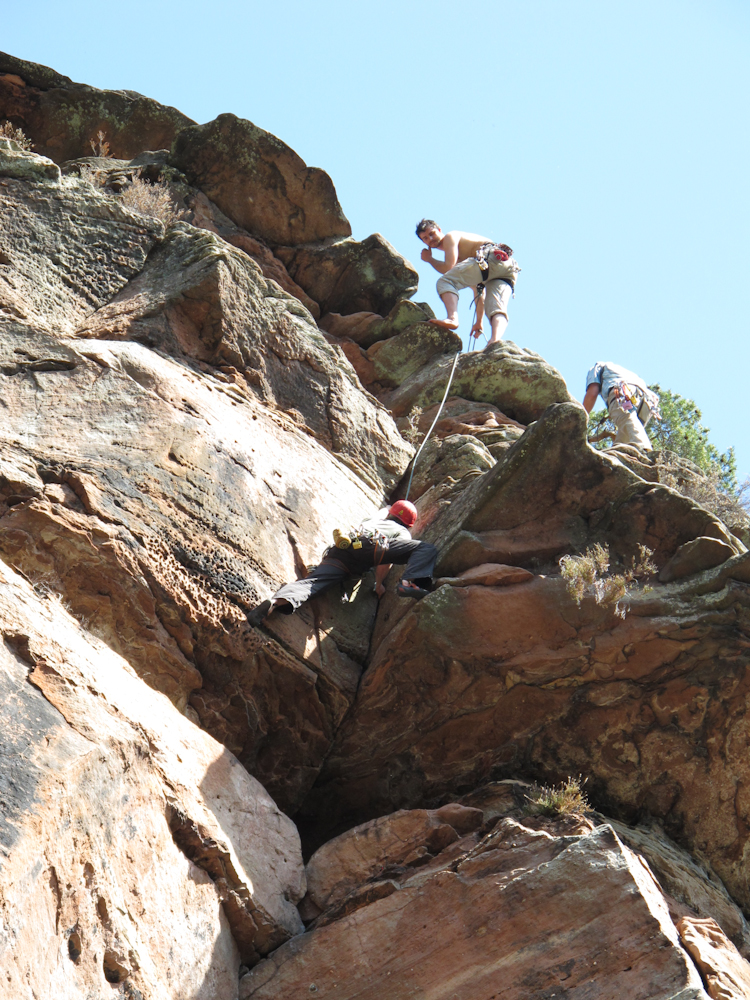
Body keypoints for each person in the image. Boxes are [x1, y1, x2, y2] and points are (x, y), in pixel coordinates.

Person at [246, 500, 437, 626]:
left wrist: (387, 509)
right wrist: (379, 585)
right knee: (426, 549)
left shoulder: (373, 521)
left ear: (390, 514)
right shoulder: (402, 532)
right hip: (371, 550)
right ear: (408, 524)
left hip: (341, 551)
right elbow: (384, 560)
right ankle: (409, 583)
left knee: (311, 584)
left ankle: (275, 602)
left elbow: (381, 513)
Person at [416, 219, 520, 345]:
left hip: (490, 258)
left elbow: (448, 268)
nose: (430, 239)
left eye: (432, 233)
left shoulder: (451, 236)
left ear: (439, 230)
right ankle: (494, 341)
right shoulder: (464, 264)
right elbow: (478, 292)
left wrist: (430, 259)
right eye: (425, 238)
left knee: (445, 282)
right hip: (507, 267)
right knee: (496, 309)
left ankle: (452, 318)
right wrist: (479, 322)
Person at [583, 361, 661, 450]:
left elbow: (592, 393)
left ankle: (645, 448)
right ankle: (620, 455)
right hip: (647, 401)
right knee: (624, 439)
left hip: (623, 391)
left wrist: (580, 418)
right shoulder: (623, 372)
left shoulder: (597, 367)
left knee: (626, 418)